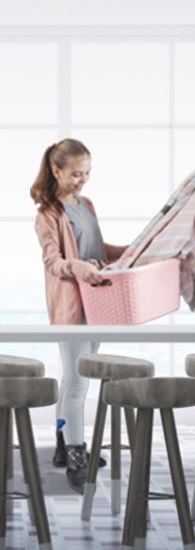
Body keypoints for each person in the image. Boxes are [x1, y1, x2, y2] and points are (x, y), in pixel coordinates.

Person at [31, 138, 126, 494]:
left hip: (97, 304)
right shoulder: (48, 214)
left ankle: (61, 444)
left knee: (72, 377)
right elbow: (53, 262)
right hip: (71, 306)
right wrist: (80, 268)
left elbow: (98, 250)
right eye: (75, 173)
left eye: (87, 173)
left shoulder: (86, 204)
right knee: (77, 382)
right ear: (56, 171)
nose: (82, 180)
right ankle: (75, 454)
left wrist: (132, 250)